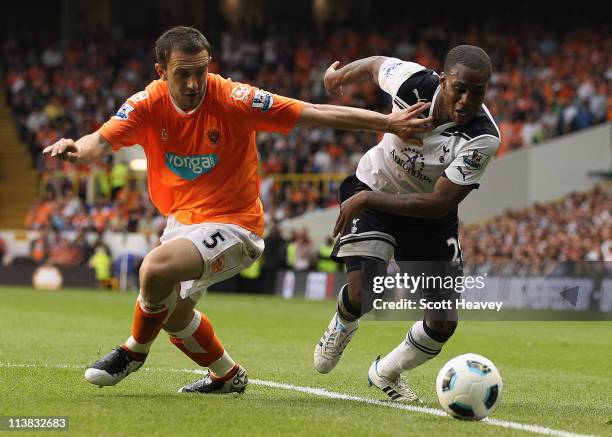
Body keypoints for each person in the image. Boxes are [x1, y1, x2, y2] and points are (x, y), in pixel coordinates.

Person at [43, 26, 431, 395]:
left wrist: (388, 122)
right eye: (183, 75)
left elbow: (314, 112)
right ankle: (226, 375)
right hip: (182, 222)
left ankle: (133, 352)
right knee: (174, 317)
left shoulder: (234, 98)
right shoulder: (146, 104)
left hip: (236, 225)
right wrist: (77, 148)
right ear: (161, 72)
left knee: (154, 269)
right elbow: (100, 139)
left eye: (201, 71)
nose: (195, 84)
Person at [313, 46, 501, 403]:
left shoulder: (482, 137)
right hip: (376, 184)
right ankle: (343, 323)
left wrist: (367, 200)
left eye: (476, 93)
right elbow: (375, 64)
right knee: (362, 291)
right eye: (459, 88)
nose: (465, 100)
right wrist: (338, 77)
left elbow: (440, 203)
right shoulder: (412, 82)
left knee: (443, 322)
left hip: (426, 215)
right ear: (443, 80)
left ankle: (386, 371)